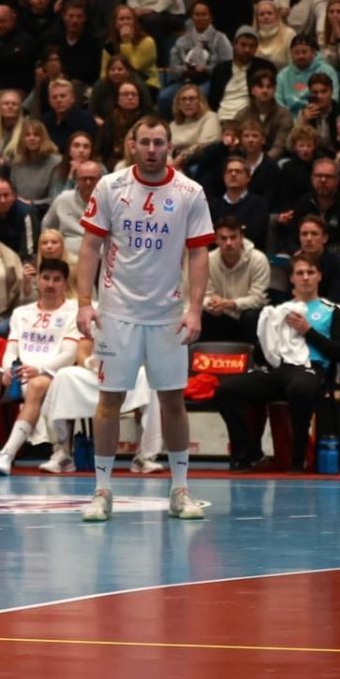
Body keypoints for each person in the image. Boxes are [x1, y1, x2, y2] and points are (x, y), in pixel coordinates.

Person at [76, 115, 213, 522]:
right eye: (145, 142)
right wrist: (84, 302)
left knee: (172, 400)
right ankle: (102, 491)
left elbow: (199, 253)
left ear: (169, 145)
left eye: (159, 142)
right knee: (109, 401)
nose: (152, 149)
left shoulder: (190, 192)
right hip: (116, 314)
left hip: (168, 315)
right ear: (132, 144)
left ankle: (180, 490)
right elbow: (90, 247)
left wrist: (194, 309)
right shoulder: (110, 186)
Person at [214, 251, 340, 472]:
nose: (305, 277)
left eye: (310, 272)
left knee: (300, 389)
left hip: (311, 369)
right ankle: (248, 454)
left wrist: (308, 331)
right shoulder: (279, 312)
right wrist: (267, 335)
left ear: (319, 276)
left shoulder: (332, 311)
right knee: (226, 391)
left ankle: (297, 459)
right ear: (292, 278)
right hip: (279, 369)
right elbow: (262, 355)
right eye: (300, 273)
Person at [0, 258, 79, 474]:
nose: (50, 284)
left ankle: (7, 455)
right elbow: (11, 348)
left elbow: (69, 354)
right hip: (18, 373)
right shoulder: (22, 313)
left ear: (65, 283)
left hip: (50, 375)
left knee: (36, 386)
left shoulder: (73, 312)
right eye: (46, 278)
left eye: (57, 279)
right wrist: (9, 368)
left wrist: (39, 369)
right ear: (37, 280)